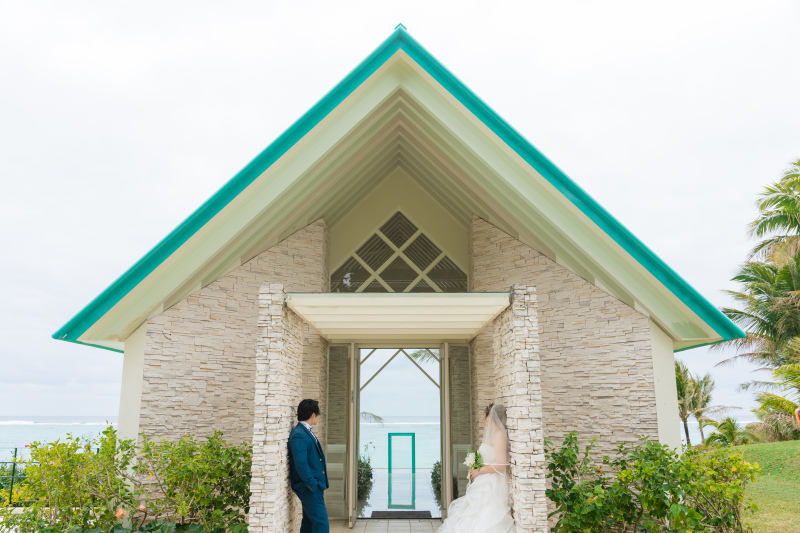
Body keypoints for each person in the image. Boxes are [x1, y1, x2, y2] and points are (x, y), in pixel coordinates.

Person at [437, 403, 516, 533]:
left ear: (489, 417)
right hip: (486, 478)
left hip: (494, 482)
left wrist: (479, 471)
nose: (483, 418)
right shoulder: (492, 434)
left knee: (488, 515)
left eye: (484, 415)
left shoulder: (499, 435)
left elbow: (502, 463)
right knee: (475, 513)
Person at [288, 399, 330, 533]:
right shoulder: (299, 435)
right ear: (313, 415)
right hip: (309, 487)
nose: (318, 416)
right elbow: (301, 463)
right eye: (318, 413)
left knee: (309, 523)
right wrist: (312, 484)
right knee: (321, 523)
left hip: (313, 486)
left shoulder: (304, 431)